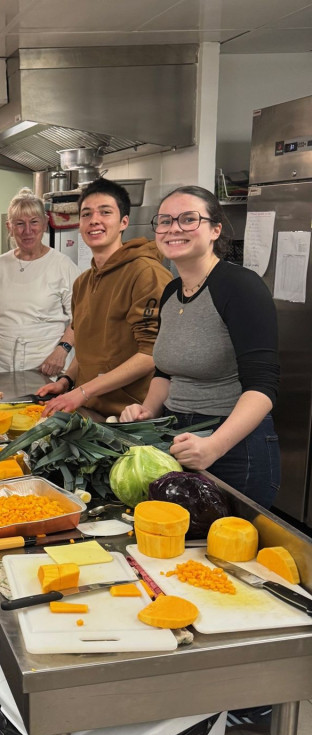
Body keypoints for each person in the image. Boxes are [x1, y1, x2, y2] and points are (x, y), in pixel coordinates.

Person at [119, 185, 280, 509]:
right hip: (178, 436)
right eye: (164, 221)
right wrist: (148, 411)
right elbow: (165, 371)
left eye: (188, 219)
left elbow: (263, 387)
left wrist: (215, 446)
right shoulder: (172, 291)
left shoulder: (240, 287)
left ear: (214, 229)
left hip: (234, 447)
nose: (173, 228)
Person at [38, 178, 171, 417]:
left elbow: (151, 355)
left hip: (130, 417)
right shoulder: (83, 282)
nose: (94, 220)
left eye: (105, 212)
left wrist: (83, 392)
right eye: (86, 214)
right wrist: (67, 381)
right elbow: (88, 347)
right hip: (89, 410)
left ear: (124, 222)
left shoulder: (146, 273)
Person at [0, 188, 80, 376]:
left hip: (46, 370)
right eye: (19, 224)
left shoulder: (62, 266)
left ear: (45, 223)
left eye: (34, 222)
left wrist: (62, 350)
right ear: (9, 227)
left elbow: (81, 317)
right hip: (1, 370)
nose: (27, 231)